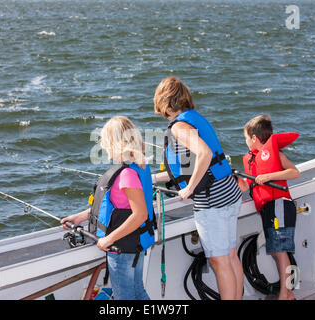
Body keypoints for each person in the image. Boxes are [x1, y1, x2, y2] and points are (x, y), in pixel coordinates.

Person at [152, 76, 244, 300]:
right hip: (228, 191)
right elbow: (192, 165)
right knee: (231, 256)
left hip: (212, 199)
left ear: (164, 102)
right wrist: (152, 178)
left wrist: (189, 188)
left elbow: (205, 154)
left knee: (218, 260)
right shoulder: (194, 118)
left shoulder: (180, 127)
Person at [61, 116, 155, 300]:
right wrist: (80, 217)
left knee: (124, 297)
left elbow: (140, 214)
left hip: (122, 247)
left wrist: (108, 239)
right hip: (133, 245)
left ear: (113, 142)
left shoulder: (126, 174)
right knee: (138, 293)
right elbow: (115, 207)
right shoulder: (138, 166)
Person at [238, 114, 300, 300]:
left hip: (280, 206)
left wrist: (269, 177)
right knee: (276, 252)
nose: (246, 142)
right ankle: (287, 293)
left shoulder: (275, 154)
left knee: (280, 253)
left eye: (246, 138)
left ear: (254, 138)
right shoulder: (251, 159)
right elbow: (246, 184)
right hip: (268, 209)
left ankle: (285, 294)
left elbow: (295, 172)